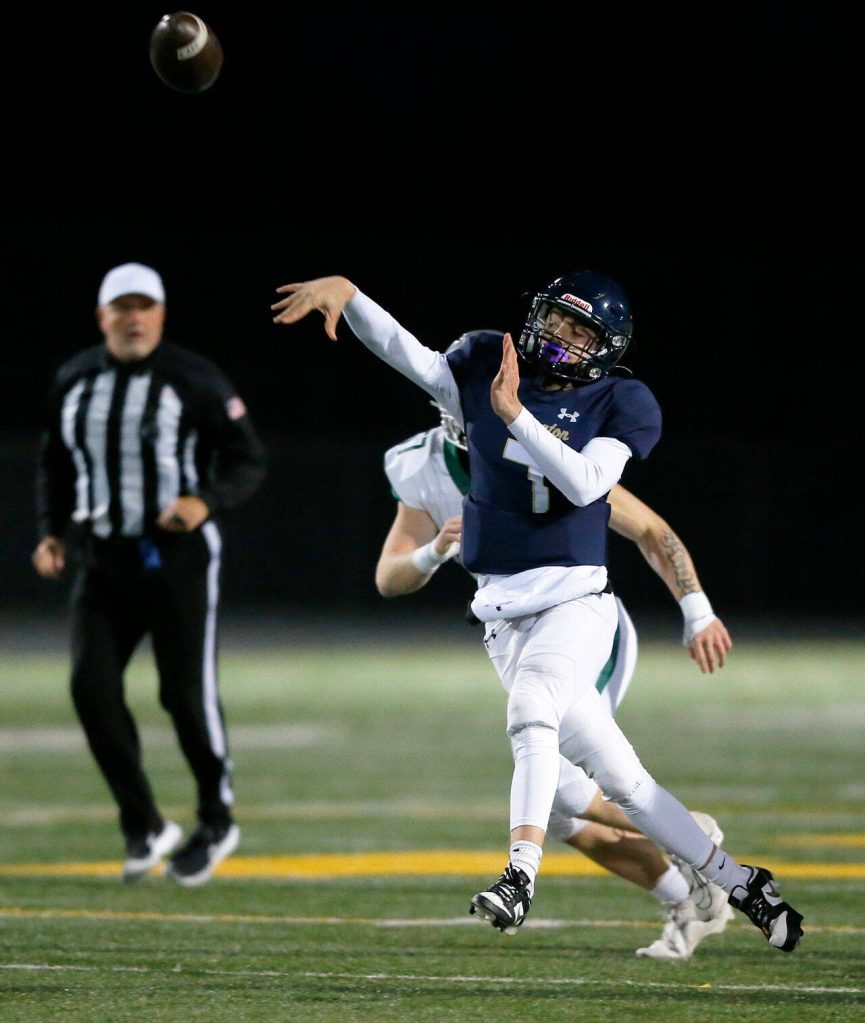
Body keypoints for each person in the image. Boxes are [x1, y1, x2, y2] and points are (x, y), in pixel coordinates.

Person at [272, 270, 804, 953]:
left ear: (603, 347)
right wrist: (351, 296)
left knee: (530, 712)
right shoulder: (474, 379)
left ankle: (517, 876)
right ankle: (737, 880)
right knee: (625, 786)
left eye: (579, 329)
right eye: (555, 319)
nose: (559, 336)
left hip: (576, 602)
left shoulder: (618, 400)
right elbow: (406, 352)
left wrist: (696, 608)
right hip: (501, 613)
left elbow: (591, 486)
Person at [375, 406, 734, 958]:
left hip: (583, 627)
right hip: (518, 638)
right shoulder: (422, 464)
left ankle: (690, 837)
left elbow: (650, 528)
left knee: (561, 790)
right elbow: (389, 577)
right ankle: (688, 895)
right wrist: (435, 549)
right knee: (562, 814)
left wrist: (698, 610)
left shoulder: (543, 448)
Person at [34, 262, 267, 886]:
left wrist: (205, 500)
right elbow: (55, 462)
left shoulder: (194, 377)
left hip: (178, 558)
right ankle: (143, 823)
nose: (134, 318)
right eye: (122, 307)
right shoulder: (76, 377)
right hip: (102, 558)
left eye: (145, 306)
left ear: (161, 313)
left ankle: (217, 820)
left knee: (183, 697)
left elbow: (248, 458)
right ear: (102, 315)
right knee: (91, 689)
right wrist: (53, 531)